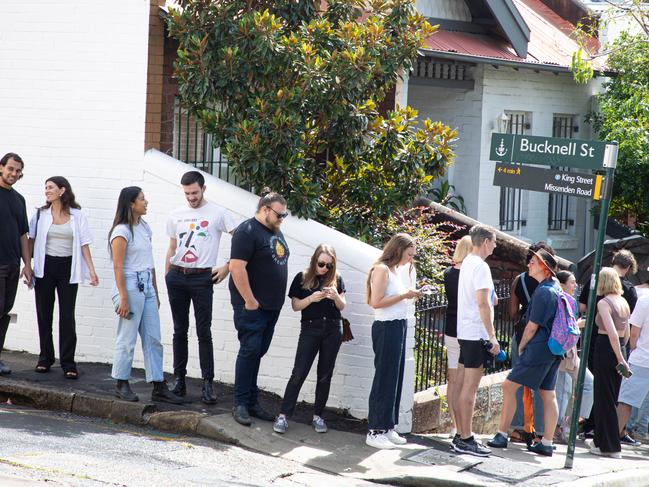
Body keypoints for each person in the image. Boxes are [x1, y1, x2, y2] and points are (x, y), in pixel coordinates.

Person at [165, 170, 236, 404]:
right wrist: (167, 274)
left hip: (202, 277)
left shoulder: (218, 213)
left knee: (204, 331)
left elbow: (242, 239)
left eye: (195, 192)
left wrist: (227, 266)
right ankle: (179, 380)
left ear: (203, 189)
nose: (191, 197)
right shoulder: (176, 214)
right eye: (187, 193)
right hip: (177, 275)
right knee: (179, 330)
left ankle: (208, 383)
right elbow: (172, 246)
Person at [109, 187, 182, 404]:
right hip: (130, 286)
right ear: (131, 203)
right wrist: (123, 297)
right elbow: (118, 266)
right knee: (127, 337)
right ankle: (121, 383)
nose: (146, 202)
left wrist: (156, 292)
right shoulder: (121, 231)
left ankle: (158, 384)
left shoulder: (144, 227)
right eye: (142, 199)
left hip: (146, 286)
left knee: (153, 337)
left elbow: (150, 263)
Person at [487, 249, 562, 457]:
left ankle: (501, 435)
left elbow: (532, 326)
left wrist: (522, 346)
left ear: (544, 268)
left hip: (538, 348)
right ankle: (546, 442)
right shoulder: (555, 288)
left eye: (534, 262)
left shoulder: (544, 291)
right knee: (548, 394)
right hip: (553, 349)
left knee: (509, 386)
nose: (529, 264)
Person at [28, 176, 99, 378]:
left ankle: (68, 362)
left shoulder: (77, 215)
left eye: (50, 187)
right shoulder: (40, 214)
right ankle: (45, 358)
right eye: (45, 188)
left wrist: (92, 271)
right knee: (44, 314)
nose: (46, 191)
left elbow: (84, 244)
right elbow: (31, 240)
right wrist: (27, 266)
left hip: (68, 267)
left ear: (62, 190)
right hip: (45, 267)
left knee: (67, 316)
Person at [229, 189, 290, 426]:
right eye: (279, 214)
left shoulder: (274, 230)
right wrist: (250, 301)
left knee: (257, 353)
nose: (282, 219)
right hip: (253, 308)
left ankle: (252, 402)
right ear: (265, 210)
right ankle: (241, 404)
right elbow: (237, 267)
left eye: (285, 215)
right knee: (249, 351)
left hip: (271, 307)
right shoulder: (247, 231)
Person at [273, 244, 346, 435]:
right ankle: (283, 416)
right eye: (321, 264)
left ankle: (318, 416)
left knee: (325, 374)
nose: (325, 269)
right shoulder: (302, 277)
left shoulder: (336, 278)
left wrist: (336, 295)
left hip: (333, 328)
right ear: (314, 261)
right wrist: (312, 299)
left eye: (329, 265)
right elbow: (296, 306)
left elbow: (342, 306)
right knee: (299, 372)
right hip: (310, 328)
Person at [365, 233, 420, 449]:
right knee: (384, 377)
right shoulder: (381, 269)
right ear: (397, 250)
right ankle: (375, 430)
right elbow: (375, 301)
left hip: (398, 324)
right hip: (386, 326)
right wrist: (405, 295)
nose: (410, 259)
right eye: (408, 254)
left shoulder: (396, 270)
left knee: (395, 378)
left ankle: (387, 426)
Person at [579, 250, 637, 439]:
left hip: (597, 343)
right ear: (628, 268)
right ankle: (604, 433)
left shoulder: (595, 286)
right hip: (617, 345)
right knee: (611, 393)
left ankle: (596, 430)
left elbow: (582, 308)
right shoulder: (627, 294)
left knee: (598, 388)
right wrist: (622, 352)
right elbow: (628, 328)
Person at [453, 224, 499, 457]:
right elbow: (483, 303)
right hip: (476, 333)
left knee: (463, 385)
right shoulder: (480, 266)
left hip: (466, 331)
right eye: (494, 241)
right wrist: (491, 336)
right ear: (485, 242)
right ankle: (466, 438)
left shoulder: (468, 262)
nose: (495, 246)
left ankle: (461, 434)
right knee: (470, 389)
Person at [506, 242, 555, 443]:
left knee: (516, 385)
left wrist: (524, 313)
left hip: (523, 334)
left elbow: (511, 313)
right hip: (545, 339)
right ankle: (542, 432)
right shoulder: (553, 284)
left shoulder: (519, 281)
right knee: (544, 389)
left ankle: (518, 428)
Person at [588, 267, 631, 458]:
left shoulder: (604, 303)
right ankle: (602, 441)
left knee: (603, 398)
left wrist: (619, 357)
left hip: (606, 349)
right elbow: (626, 333)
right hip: (619, 348)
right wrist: (622, 355)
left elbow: (612, 332)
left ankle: (610, 446)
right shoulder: (623, 302)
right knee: (611, 398)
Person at [0, 153, 32, 375]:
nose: (13, 173)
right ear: (1, 167)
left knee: (4, 312)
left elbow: (23, 235)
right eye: (10, 168)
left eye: (17, 170)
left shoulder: (19, 199)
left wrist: (27, 265)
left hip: (12, 264)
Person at [553, 270, 594, 443]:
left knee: (589, 383)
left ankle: (572, 421)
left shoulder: (571, 301)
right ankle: (558, 428)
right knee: (562, 391)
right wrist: (579, 324)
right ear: (562, 285)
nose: (576, 285)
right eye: (572, 282)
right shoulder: (559, 299)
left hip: (571, 353)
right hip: (563, 352)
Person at [443, 235, 472, 440]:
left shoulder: (448, 273)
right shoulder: (471, 275)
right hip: (467, 330)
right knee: (465, 381)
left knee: (453, 380)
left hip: (451, 328)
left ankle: (455, 425)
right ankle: (463, 427)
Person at [617, 293, 649, 444]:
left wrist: (634, 350)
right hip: (643, 358)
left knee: (625, 402)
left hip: (642, 359)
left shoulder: (644, 301)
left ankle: (610, 440)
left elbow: (634, 333)